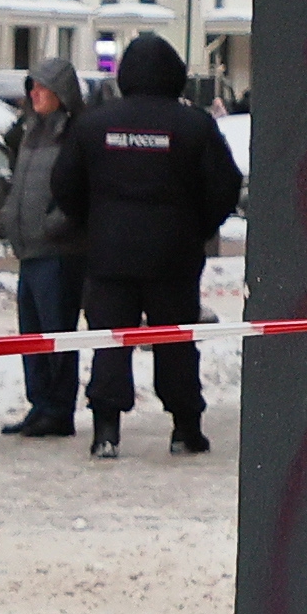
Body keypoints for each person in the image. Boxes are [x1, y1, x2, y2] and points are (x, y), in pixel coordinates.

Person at [57, 26, 246, 457]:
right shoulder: (194, 125)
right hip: (173, 257)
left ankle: (106, 430)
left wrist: (95, 224)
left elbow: (65, 184)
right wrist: (197, 227)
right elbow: (224, 185)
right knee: (176, 341)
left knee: (109, 340)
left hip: (109, 256)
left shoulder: (94, 125)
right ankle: (185, 428)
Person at [0, 68, 89, 439]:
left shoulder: (74, 135)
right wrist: (9, 217)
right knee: (31, 334)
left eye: (43, 87)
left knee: (57, 331)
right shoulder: (30, 132)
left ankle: (58, 407)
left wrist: (55, 224)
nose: (34, 94)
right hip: (29, 250)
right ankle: (40, 404)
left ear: (61, 92)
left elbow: (80, 190)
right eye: (31, 87)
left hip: (59, 251)